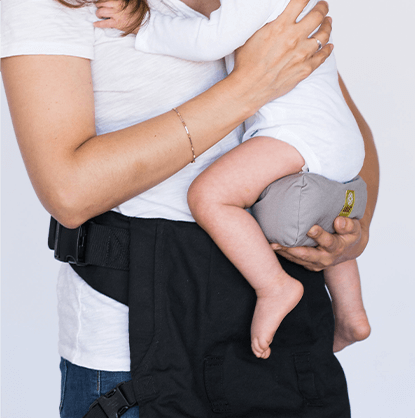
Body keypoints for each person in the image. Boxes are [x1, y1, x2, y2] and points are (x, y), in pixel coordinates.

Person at [0, 0, 379, 417]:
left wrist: (346, 238)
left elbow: (339, 132)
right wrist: (249, 87)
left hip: (289, 329)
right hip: (140, 340)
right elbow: (68, 192)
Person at [94, 0, 371, 358]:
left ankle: (273, 286)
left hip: (298, 135)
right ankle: (352, 313)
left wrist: (143, 25)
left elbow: (207, 42)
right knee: (328, 218)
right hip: (340, 142)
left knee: (209, 195)